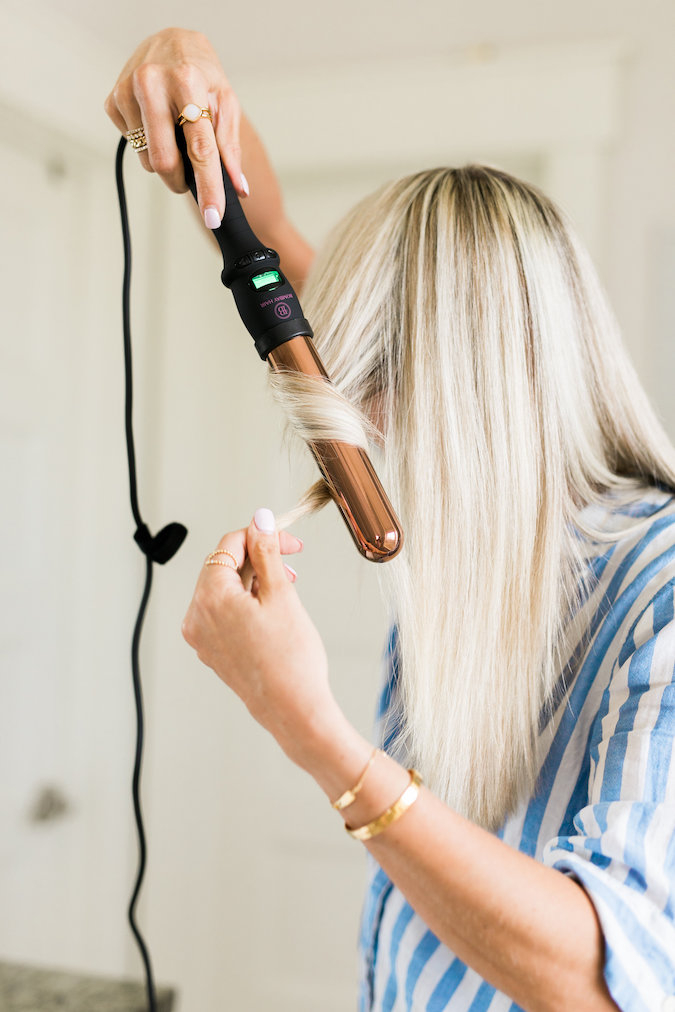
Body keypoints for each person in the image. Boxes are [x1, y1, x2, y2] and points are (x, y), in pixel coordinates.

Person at [106, 28, 675, 1012]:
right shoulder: (471, 540)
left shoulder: (659, 592)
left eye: (376, 382)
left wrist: (314, 731)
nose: (361, 427)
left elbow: (607, 979)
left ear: (477, 384)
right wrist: (193, 99)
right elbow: (265, 239)